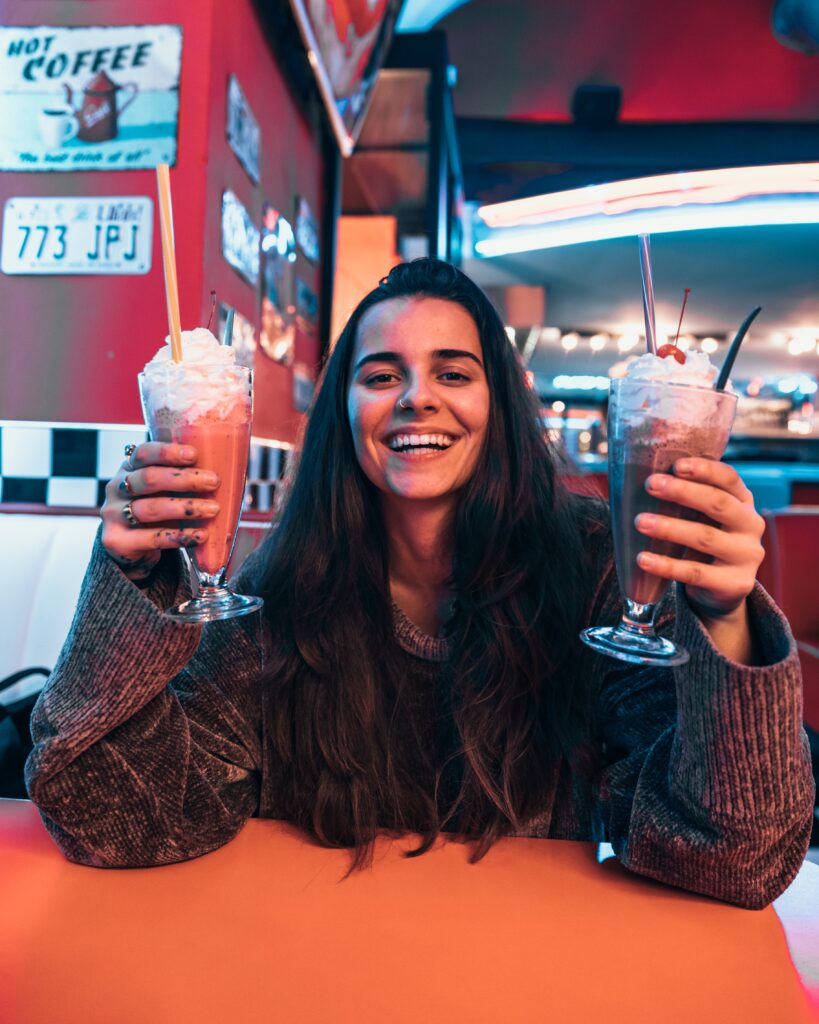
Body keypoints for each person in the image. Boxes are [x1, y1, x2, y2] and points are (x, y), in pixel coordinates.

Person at [25, 258, 813, 908]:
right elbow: (117, 821)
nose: (416, 397)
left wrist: (725, 616)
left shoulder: (594, 572)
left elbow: (732, 859)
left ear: (497, 405)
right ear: (343, 409)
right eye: (380, 374)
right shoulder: (274, 589)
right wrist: (127, 580)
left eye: (452, 371)